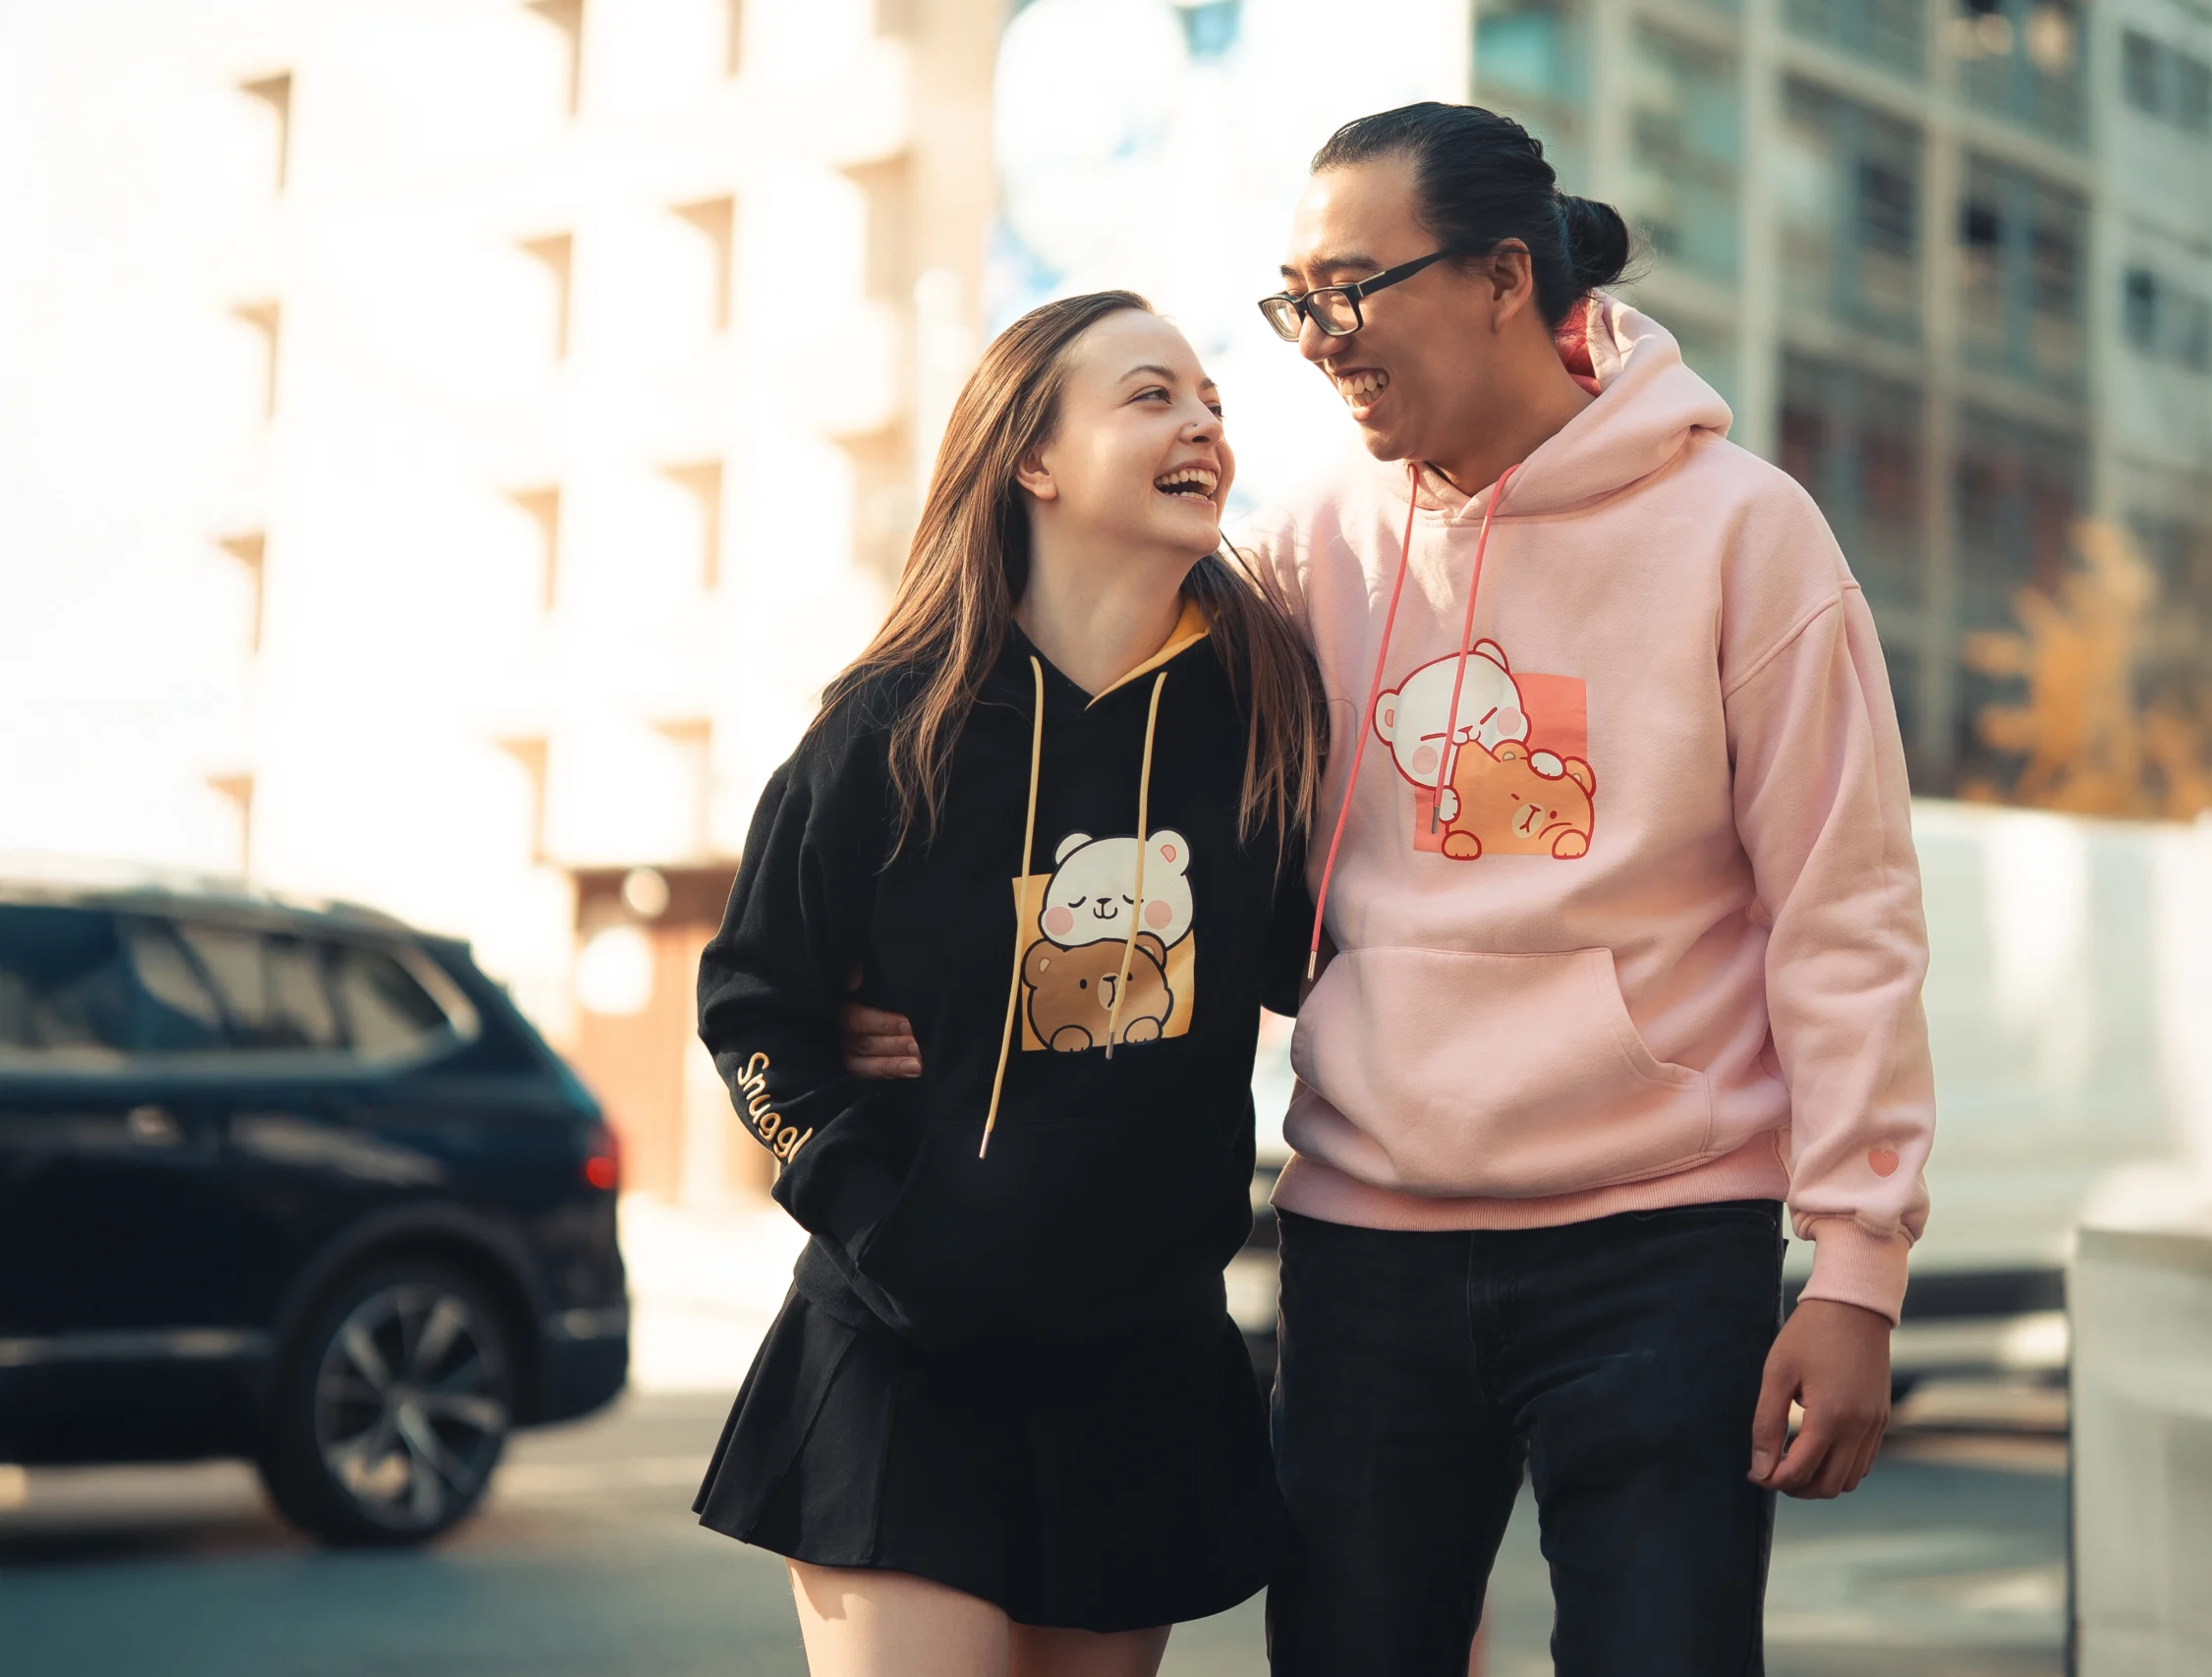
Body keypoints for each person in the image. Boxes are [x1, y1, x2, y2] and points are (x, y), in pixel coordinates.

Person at [843, 102, 1936, 1675]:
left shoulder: (1744, 533)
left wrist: (1858, 1268)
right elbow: (1100, 764)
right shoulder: (1309, 548)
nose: (1318, 339)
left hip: (1662, 1234)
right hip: (1365, 1238)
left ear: (1502, 278)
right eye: (1297, 301)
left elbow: (1844, 912)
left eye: (1350, 290)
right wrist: (890, 969)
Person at [691, 290, 1322, 1677]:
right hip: (908, 1357)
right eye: (1152, 394)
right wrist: (883, 1219)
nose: (1203, 423)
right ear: (1033, 457)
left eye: (1212, 400)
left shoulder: (1265, 711)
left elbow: (1332, 956)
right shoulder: (892, 724)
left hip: (1142, 1365)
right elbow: (753, 1007)